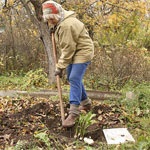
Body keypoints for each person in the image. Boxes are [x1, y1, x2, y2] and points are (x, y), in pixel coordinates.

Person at [42, 0, 94, 127]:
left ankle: (74, 113)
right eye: (48, 20)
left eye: (52, 19)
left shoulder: (66, 25)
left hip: (82, 51)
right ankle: (86, 104)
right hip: (74, 50)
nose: (50, 22)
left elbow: (68, 49)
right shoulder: (60, 20)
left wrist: (59, 67)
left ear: (58, 15)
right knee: (73, 78)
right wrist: (53, 28)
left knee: (74, 78)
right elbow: (68, 46)